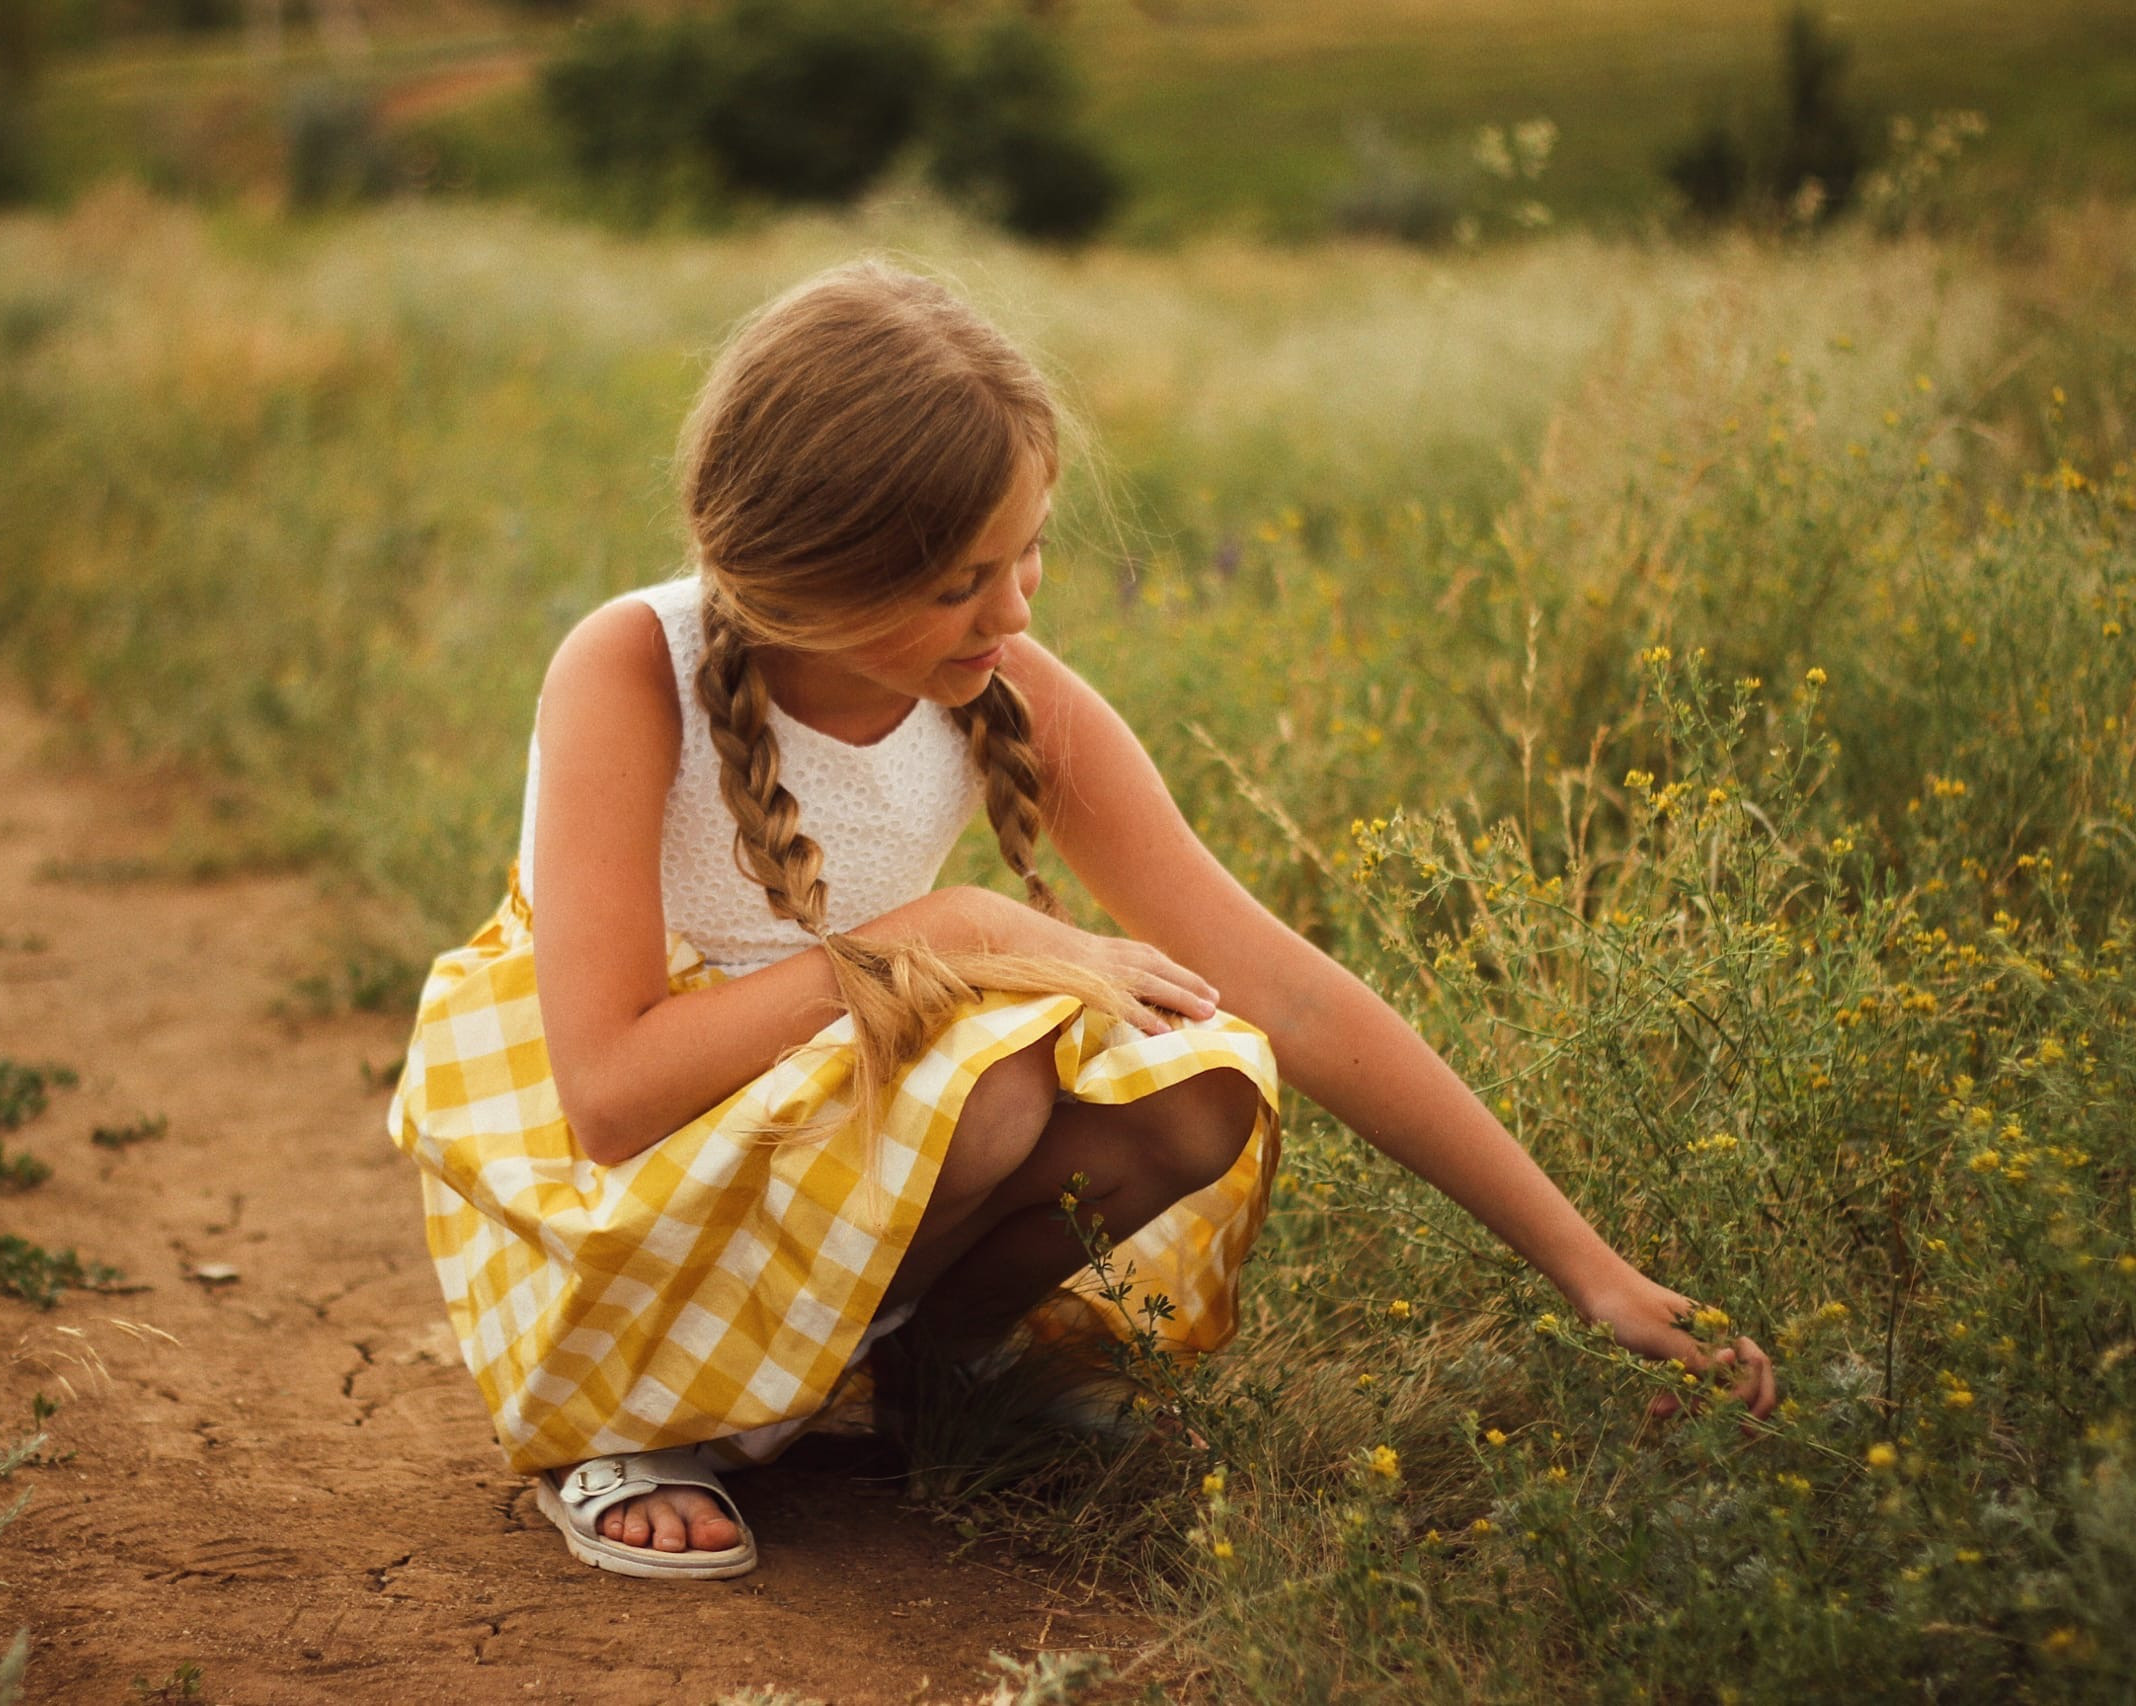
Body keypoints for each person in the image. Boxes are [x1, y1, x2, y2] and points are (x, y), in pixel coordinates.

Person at [386, 258, 1776, 1582]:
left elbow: (1284, 994)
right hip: (620, 1191)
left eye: (1028, 555)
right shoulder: (633, 668)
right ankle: (643, 1416)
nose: (1016, 607)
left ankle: (915, 1378)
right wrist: (951, 926)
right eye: (959, 584)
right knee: (988, 1085)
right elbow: (613, 1095)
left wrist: (1589, 1269)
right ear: (810, 573)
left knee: (1202, 1083)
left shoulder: (1006, 684)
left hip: (823, 1144)